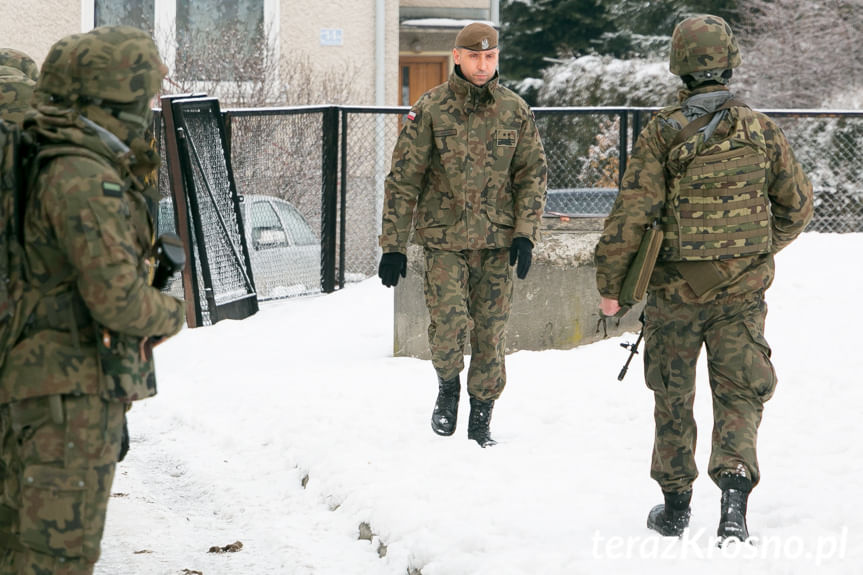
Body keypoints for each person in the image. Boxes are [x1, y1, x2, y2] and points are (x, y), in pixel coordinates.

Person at [595, 14, 813, 542]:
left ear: (679, 66)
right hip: (741, 293)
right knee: (739, 390)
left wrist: (610, 286)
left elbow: (631, 216)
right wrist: (752, 256)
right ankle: (734, 501)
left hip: (674, 292)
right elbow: (798, 207)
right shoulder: (760, 128)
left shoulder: (662, 132)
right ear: (730, 60)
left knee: (673, 393)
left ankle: (674, 508)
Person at [0, 26, 186, 575]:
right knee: (57, 557)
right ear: (115, 92)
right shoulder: (83, 173)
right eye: (145, 91)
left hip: (37, 381)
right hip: (66, 394)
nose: (150, 105)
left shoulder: (46, 152)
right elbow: (118, 300)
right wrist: (170, 314)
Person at [378, 22, 547, 447]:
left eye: (490, 57)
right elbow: (403, 180)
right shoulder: (431, 108)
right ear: (457, 57)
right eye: (474, 56)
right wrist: (393, 246)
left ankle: (481, 418)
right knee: (449, 324)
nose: (482, 64)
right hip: (444, 240)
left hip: (496, 242)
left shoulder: (515, 110)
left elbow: (532, 176)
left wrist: (525, 233)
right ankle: (448, 386)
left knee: (491, 332)